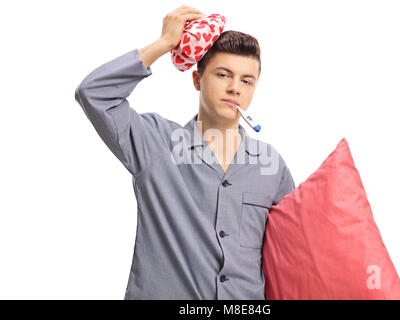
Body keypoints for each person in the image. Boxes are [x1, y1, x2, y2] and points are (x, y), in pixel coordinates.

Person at [74, 5, 295, 300]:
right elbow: (94, 94)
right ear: (196, 80)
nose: (234, 88)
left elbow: (292, 252)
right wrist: (164, 43)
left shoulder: (272, 167)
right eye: (223, 75)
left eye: (246, 80)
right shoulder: (155, 142)